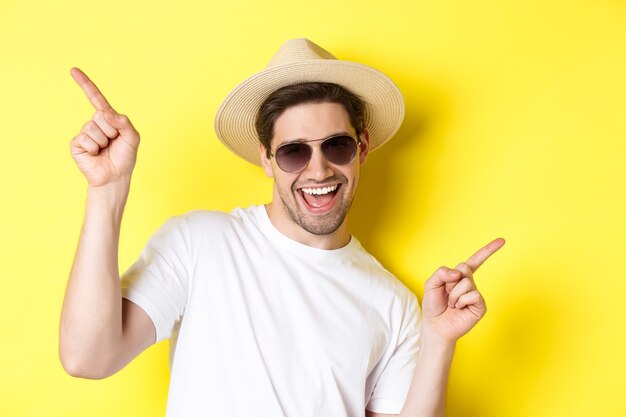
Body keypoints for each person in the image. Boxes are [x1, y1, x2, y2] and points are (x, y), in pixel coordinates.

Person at [59, 38, 505, 417]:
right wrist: (107, 189)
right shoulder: (200, 243)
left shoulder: (394, 305)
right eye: (294, 152)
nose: (319, 170)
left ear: (362, 147)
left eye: (337, 145)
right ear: (266, 159)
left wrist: (439, 341)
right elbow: (87, 357)